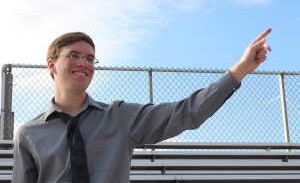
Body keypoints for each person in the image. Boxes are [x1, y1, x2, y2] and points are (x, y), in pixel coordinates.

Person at [12, 28, 272, 183]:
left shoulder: (119, 117)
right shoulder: (28, 134)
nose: (84, 63)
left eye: (90, 58)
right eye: (74, 56)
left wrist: (240, 70)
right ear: (51, 65)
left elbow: (185, 113)